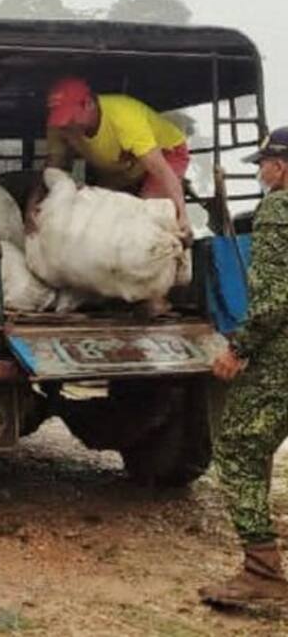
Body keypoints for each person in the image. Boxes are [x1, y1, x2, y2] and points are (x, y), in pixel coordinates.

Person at [200, 127, 288, 609]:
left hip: (280, 359)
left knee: (236, 448)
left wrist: (239, 349)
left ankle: (262, 572)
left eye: (265, 163)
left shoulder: (279, 208)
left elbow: (276, 298)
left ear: (283, 165)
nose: (261, 172)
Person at [26, 76, 192, 241]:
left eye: (70, 117)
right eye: (60, 118)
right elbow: (53, 169)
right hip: (120, 167)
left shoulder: (125, 118)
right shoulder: (60, 127)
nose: (66, 125)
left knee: (147, 218)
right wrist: (32, 205)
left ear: (89, 104)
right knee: (100, 219)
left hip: (166, 154)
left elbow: (162, 171)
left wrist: (183, 215)